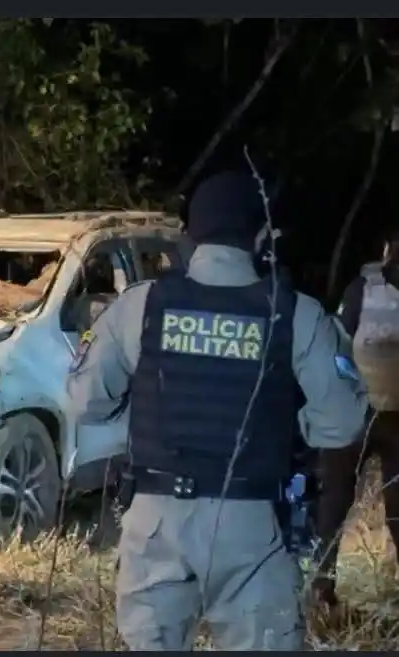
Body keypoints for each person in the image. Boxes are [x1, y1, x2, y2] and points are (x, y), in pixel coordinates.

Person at [66, 170, 368, 650]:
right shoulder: (296, 314)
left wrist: (144, 420)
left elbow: (86, 404)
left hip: (156, 522)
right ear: (262, 235)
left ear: (191, 235)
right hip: (253, 524)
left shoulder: (140, 307)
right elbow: (345, 424)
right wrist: (290, 424)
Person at [312, 228, 399, 608]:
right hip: (394, 418)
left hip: (356, 413)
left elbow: (337, 347)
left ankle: (321, 587)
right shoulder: (362, 287)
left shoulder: (361, 288)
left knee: (334, 500)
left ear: (386, 250)